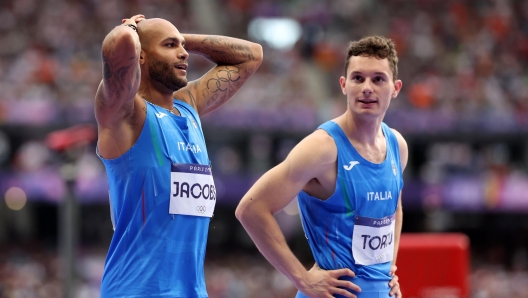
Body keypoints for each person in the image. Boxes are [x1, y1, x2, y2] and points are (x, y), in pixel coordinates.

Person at [95, 14, 262, 297]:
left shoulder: (188, 106)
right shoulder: (126, 114)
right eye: (170, 45)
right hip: (136, 290)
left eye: (181, 46)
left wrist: (174, 37)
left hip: (192, 291)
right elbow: (119, 44)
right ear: (141, 56)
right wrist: (133, 30)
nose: (184, 52)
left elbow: (251, 56)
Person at [236, 36, 406, 298]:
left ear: (395, 88)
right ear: (343, 85)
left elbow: (393, 208)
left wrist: (389, 269)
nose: (367, 88)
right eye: (358, 78)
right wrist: (303, 279)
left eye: (378, 79)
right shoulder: (322, 149)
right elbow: (250, 208)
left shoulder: (397, 146)